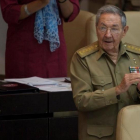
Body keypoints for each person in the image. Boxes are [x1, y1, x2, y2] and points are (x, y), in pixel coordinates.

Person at [70, 5, 140, 140]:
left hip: (132, 133)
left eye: (114, 28)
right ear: (96, 29)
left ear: (124, 31)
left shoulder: (137, 56)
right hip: (99, 136)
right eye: (103, 28)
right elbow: (81, 101)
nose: (108, 34)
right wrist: (117, 90)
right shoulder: (83, 59)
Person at [0, 0, 79, 78]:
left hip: (54, 53)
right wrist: (40, 3)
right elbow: (9, 12)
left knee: (56, 89)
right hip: (24, 53)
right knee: (23, 89)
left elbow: (71, 13)